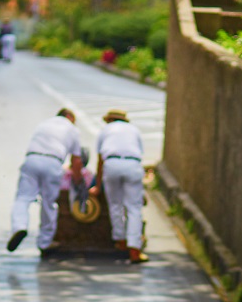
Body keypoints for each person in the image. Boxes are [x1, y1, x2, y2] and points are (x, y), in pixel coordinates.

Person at [8, 109, 84, 254]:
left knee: (23, 198)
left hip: (32, 158)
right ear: (70, 117)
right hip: (53, 162)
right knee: (49, 203)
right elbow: (76, 160)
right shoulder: (73, 129)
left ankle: (19, 227)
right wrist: (78, 182)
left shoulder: (44, 124)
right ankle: (45, 242)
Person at [90, 110, 148, 264]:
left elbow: (100, 160)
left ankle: (120, 241)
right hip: (132, 164)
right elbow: (139, 154)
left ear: (109, 120)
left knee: (115, 204)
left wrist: (97, 185)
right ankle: (134, 250)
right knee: (134, 208)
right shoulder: (133, 130)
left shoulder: (105, 131)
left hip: (112, 164)